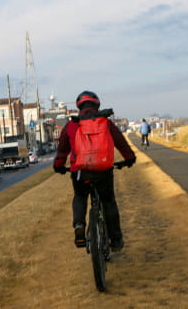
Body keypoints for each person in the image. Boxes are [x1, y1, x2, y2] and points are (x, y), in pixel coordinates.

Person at [53, 91, 136, 251]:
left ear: (79, 107)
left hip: (80, 172)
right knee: (108, 201)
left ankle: (79, 225)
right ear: (97, 105)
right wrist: (129, 158)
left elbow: (62, 150)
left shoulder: (72, 124)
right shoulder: (105, 122)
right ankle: (116, 240)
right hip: (103, 171)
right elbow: (121, 142)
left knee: (80, 196)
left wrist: (59, 166)